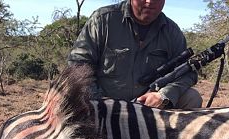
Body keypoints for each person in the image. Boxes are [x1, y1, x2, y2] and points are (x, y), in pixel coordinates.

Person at [68, 0, 202, 109]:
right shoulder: (102, 20)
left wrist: (164, 95)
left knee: (192, 98)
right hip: (103, 104)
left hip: (150, 107)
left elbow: (188, 73)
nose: (150, 2)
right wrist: (100, 101)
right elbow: (78, 64)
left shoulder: (172, 32)